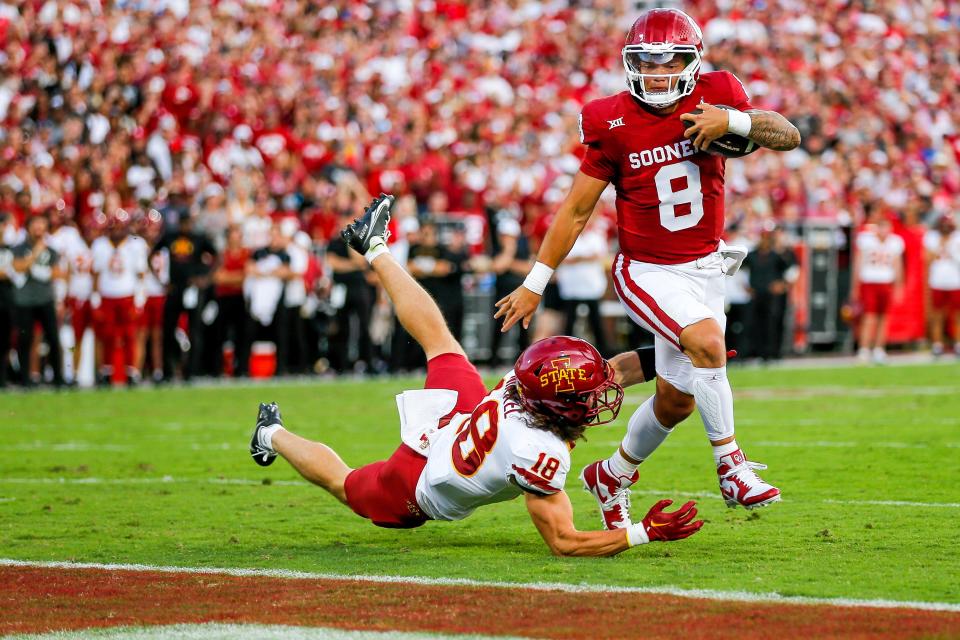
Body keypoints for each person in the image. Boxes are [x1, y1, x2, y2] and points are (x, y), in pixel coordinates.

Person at [249, 194, 701, 555]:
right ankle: (271, 434)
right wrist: (643, 533)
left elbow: (614, 372)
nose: (598, 397)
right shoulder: (539, 451)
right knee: (345, 486)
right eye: (585, 397)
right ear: (555, 407)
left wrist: (687, 345)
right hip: (420, 483)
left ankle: (374, 246)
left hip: (467, 418)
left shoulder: (523, 384)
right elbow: (564, 542)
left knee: (441, 344)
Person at [495, 8, 801, 527]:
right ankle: (732, 467)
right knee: (705, 343)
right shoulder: (609, 119)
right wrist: (535, 282)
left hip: (707, 267)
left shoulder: (719, 92)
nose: (658, 72)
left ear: (692, 60)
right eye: (647, 62)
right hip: (648, 268)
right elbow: (575, 209)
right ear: (630, 63)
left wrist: (735, 121)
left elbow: (787, 135)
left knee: (676, 399)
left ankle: (611, 475)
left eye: (671, 60)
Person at [91, 209, 148, 385]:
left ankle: (132, 371)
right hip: (107, 296)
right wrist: (95, 299)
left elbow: (141, 275)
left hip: (127, 296)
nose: (117, 230)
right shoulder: (99, 245)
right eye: (114, 226)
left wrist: (139, 300)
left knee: (130, 336)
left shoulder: (137, 244)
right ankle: (105, 371)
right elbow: (95, 274)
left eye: (121, 226)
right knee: (106, 336)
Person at [11, 214, 66, 388]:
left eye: (42, 225)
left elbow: (58, 272)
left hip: (45, 299)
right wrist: (35, 254)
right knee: (25, 340)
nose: (39, 228)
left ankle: (59, 379)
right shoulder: (19, 248)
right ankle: (26, 379)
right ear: (28, 227)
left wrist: (42, 272)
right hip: (24, 301)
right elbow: (18, 266)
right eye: (36, 225)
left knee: (53, 339)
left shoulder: (51, 250)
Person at [851, 215, 904, 364]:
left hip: (886, 282)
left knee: (884, 317)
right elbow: (858, 263)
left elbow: (897, 265)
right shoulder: (866, 240)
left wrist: (898, 286)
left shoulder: (895, 242)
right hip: (869, 281)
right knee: (869, 317)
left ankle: (879, 349)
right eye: (881, 227)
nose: (884, 231)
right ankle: (864, 349)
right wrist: (855, 286)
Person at [744, 226, 797, 361]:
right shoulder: (752, 255)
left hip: (772, 296)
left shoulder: (776, 256)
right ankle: (758, 352)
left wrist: (783, 285)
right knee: (755, 323)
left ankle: (773, 353)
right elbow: (740, 271)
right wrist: (745, 287)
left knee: (772, 323)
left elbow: (791, 271)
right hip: (756, 295)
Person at [923, 214, 960, 357]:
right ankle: (937, 344)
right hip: (937, 280)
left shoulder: (957, 237)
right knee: (937, 314)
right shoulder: (932, 237)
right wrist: (941, 244)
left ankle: (957, 343)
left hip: (955, 281)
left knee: (957, 315)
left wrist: (949, 246)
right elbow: (928, 259)